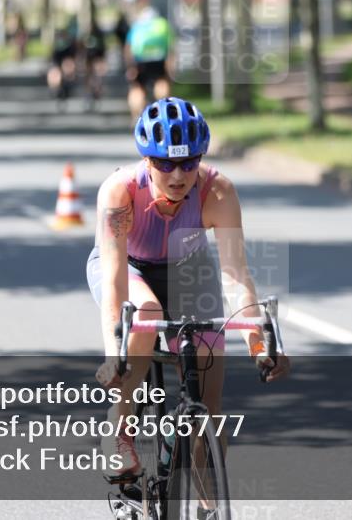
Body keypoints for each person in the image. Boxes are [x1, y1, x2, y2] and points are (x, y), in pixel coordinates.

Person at [87, 97, 290, 479]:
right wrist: (114, 353)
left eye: (189, 162)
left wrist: (259, 344)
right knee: (145, 313)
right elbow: (115, 282)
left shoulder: (218, 192)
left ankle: (208, 504)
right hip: (129, 267)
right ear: (147, 160)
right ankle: (120, 429)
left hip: (187, 268)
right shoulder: (120, 192)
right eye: (165, 163)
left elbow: (235, 275)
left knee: (209, 406)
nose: (178, 175)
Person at [124, 7, 173, 120]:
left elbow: (128, 48)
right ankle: (164, 110)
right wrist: (170, 67)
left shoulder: (137, 26)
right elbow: (170, 47)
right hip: (159, 60)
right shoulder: (162, 25)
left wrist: (130, 66)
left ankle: (138, 116)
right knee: (161, 83)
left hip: (140, 61)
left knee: (137, 88)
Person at [47, 26, 77, 108]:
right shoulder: (56, 47)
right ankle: (56, 90)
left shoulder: (70, 47)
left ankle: (67, 86)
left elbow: (72, 60)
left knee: (68, 66)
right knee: (54, 73)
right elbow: (52, 60)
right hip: (57, 63)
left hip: (67, 62)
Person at [81, 21, 107, 109]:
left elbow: (103, 50)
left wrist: (102, 62)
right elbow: (82, 49)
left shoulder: (99, 37)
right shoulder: (86, 37)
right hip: (89, 60)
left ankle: (97, 94)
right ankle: (89, 96)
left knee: (97, 78)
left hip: (97, 59)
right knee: (89, 78)